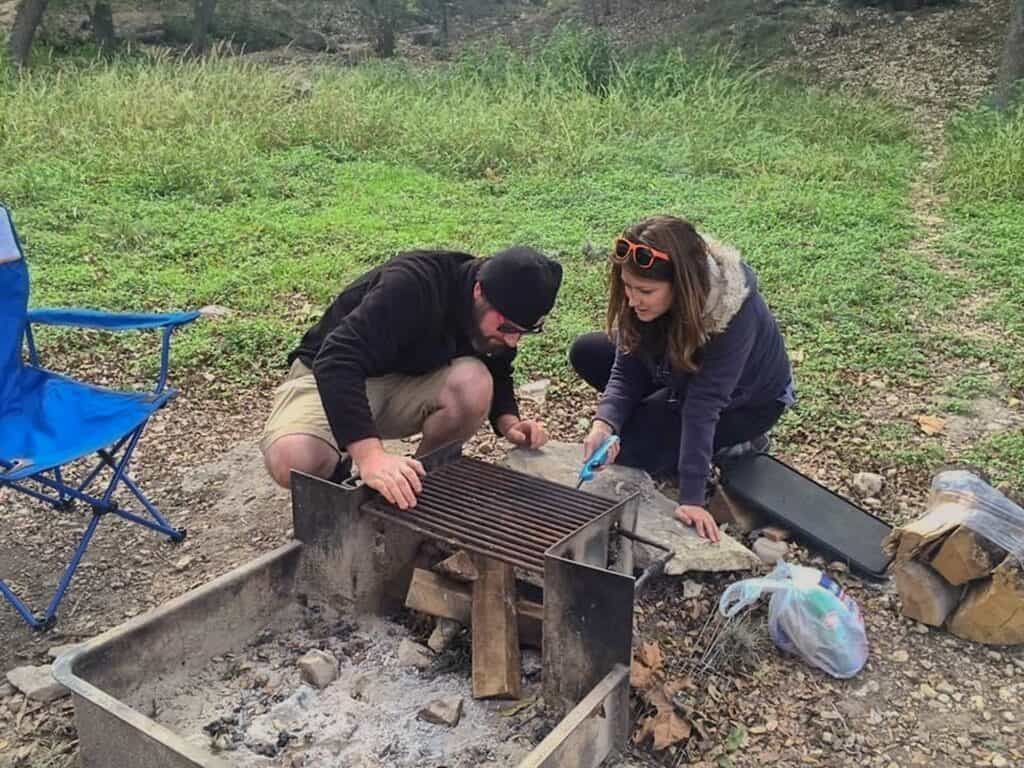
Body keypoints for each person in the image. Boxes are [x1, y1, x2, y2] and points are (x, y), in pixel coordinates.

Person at [261, 246, 563, 509]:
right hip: (328, 376)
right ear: (479, 291)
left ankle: (415, 485)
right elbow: (337, 359)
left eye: (525, 332)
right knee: (294, 459)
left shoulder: (498, 316)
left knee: (475, 382)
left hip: (403, 384)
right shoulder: (413, 283)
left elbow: (498, 366)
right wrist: (370, 455)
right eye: (508, 328)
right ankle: (340, 476)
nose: (513, 341)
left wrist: (508, 421)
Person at [571, 215, 794, 543]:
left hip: (746, 403)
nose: (632, 300)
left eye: (645, 291)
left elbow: (702, 406)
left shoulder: (732, 315)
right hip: (681, 370)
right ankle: (663, 418)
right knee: (587, 352)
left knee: (630, 448)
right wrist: (605, 423)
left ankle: (737, 441)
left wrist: (691, 499)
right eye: (628, 287)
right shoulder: (642, 303)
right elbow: (626, 369)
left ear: (682, 286)